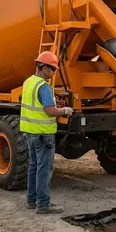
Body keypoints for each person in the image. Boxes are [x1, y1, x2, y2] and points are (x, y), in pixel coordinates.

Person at [20, 51, 74, 215]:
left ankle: (31, 200)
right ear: (44, 68)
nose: (54, 73)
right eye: (53, 69)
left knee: (33, 166)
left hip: (30, 132)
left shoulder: (28, 82)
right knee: (44, 169)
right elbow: (49, 110)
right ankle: (43, 204)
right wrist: (65, 110)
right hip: (43, 134)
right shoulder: (43, 86)